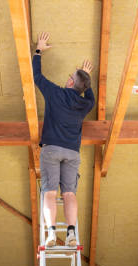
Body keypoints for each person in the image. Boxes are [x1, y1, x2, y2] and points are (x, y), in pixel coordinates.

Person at [33, 32, 94, 248]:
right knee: (69, 193)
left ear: (70, 81)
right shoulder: (85, 104)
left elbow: (37, 77)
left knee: (50, 191)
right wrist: (86, 80)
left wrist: (38, 50)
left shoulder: (55, 93)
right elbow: (91, 98)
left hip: (51, 150)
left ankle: (51, 234)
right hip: (72, 153)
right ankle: (70, 234)